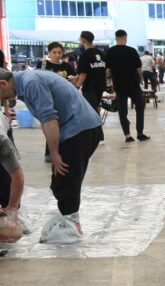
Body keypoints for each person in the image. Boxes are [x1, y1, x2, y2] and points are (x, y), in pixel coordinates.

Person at [0, 68, 105, 243]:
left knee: (66, 178)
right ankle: (68, 219)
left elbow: (50, 119)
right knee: (60, 181)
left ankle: (71, 226)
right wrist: (53, 151)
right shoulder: (25, 86)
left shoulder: (31, 82)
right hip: (77, 129)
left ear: (3, 83)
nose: (1, 99)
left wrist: (55, 154)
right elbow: (44, 120)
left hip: (79, 129)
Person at [104, 29, 149, 142]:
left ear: (116, 38)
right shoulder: (132, 51)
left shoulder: (110, 51)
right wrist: (141, 79)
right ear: (126, 37)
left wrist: (109, 81)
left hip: (119, 85)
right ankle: (140, 133)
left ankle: (127, 135)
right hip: (133, 84)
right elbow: (138, 68)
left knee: (122, 111)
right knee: (140, 106)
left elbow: (108, 70)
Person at [0, 114, 25, 242]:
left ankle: (10, 215)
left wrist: (12, 209)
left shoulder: (2, 143)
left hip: (3, 126)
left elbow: (17, 176)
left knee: (10, 232)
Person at [74, 31, 107, 114]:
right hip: (100, 86)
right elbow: (106, 70)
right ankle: (98, 122)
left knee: (92, 111)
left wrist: (77, 86)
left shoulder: (84, 56)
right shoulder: (102, 53)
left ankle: (96, 123)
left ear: (83, 40)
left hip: (89, 88)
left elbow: (83, 74)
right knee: (96, 108)